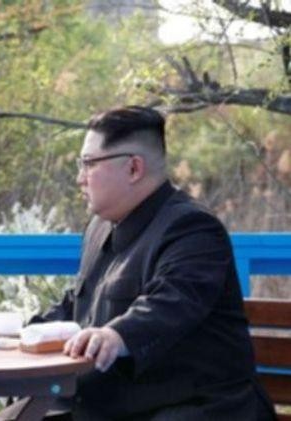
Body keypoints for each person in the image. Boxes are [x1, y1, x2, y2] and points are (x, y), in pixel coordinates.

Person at [29, 106, 275, 420]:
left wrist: (115, 336)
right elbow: (78, 304)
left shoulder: (193, 228)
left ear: (134, 168)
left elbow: (172, 302)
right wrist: (24, 332)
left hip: (194, 408)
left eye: (89, 164)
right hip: (110, 408)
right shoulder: (99, 227)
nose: (80, 179)